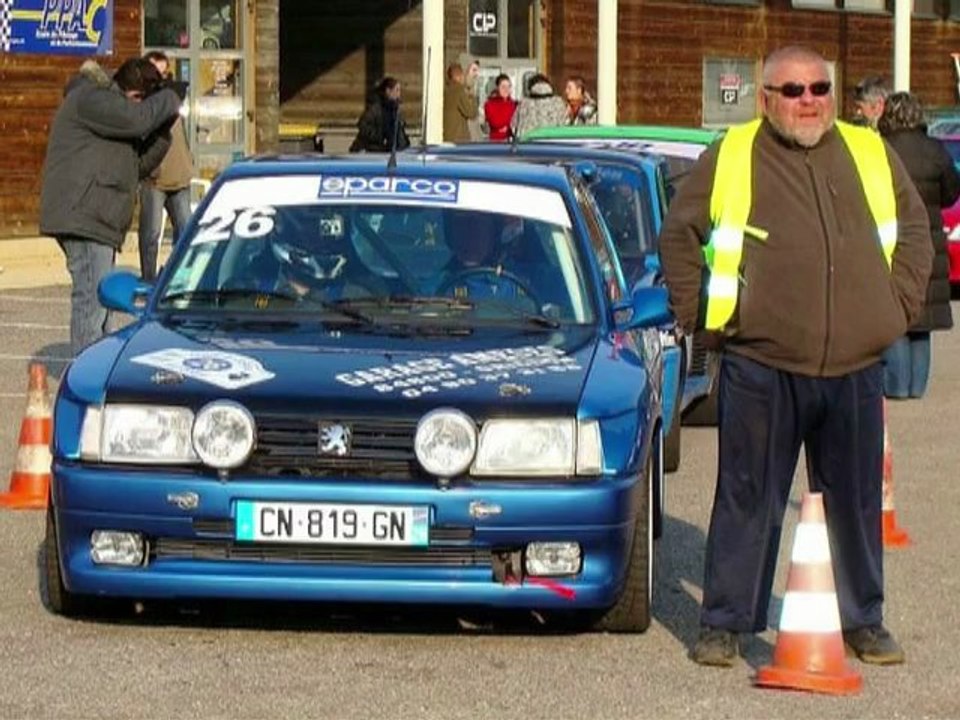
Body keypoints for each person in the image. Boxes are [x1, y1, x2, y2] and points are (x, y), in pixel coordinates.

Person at [658, 46, 932, 669]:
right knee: (746, 497)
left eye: (818, 88)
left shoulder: (867, 151)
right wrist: (695, 316)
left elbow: (915, 231)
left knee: (858, 503)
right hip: (762, 363)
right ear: (765, 99)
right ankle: (725, 623)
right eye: (793, 90)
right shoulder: (733, 155)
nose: (808, 100)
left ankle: (864, 620)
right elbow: (679, 233)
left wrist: (895, 312)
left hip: (855, 368)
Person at [39, 58, 182, 355]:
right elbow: (138, 119)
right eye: (140, 101)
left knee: (102, 306)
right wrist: (169, 98)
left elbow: (137, 166)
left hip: (97, 218)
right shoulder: (92, 98)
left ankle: (98, 371)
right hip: (84, 215)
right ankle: (84, 381)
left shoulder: (113, 116)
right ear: (130, 92)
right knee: (91, 304)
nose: (140, 109)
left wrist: (163, 131)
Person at [877, 92, 960, 398]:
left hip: (894, 235)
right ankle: (916, 387)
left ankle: (897, 385)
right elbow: (952, 192)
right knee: (923, 316)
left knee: (897, 312)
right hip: (931, 237)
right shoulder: (935, 150)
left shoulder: (882, 150)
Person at [138, 50, 195, 282]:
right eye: (155, 72)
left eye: (164, 72)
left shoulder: (173, 95)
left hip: (180, 175)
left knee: (186, 233)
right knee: (151, 236)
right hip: (155, 177)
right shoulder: (143, 99)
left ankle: (176, 278)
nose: (160, 78)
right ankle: (149, 279)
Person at [348, 77, 410, 153]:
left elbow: (398, 130)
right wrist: (379, 137)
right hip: (370, 150)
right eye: (397, 90)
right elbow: (362, 125)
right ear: (388, 91)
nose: (399, 94)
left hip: (386, 151)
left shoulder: (395, 110)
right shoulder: (375, 108)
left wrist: (404, 144)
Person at [510, 73, 568, 140]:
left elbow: (513, 126)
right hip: (553, 144)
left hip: (527, 145)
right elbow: (565, 124)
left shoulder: (524, 103)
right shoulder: (558, 102)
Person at [443, 63, 479, 143]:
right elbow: (471, 113)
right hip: (459, 139)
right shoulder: (458, 90)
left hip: (447, 137)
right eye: (463, 75)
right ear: (458, 76)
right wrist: (472, 95)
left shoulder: (446, 90)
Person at [484, 73, 518, 142]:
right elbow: (495, 123)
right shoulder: (489, 104)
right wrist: (508, 125)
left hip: (511, 141)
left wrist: (507, 127)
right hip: (496, 141)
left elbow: (516, 123)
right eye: (503, 87)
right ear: (497, 88)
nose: (506, 89)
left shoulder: (514, 104)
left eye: (508, 86)